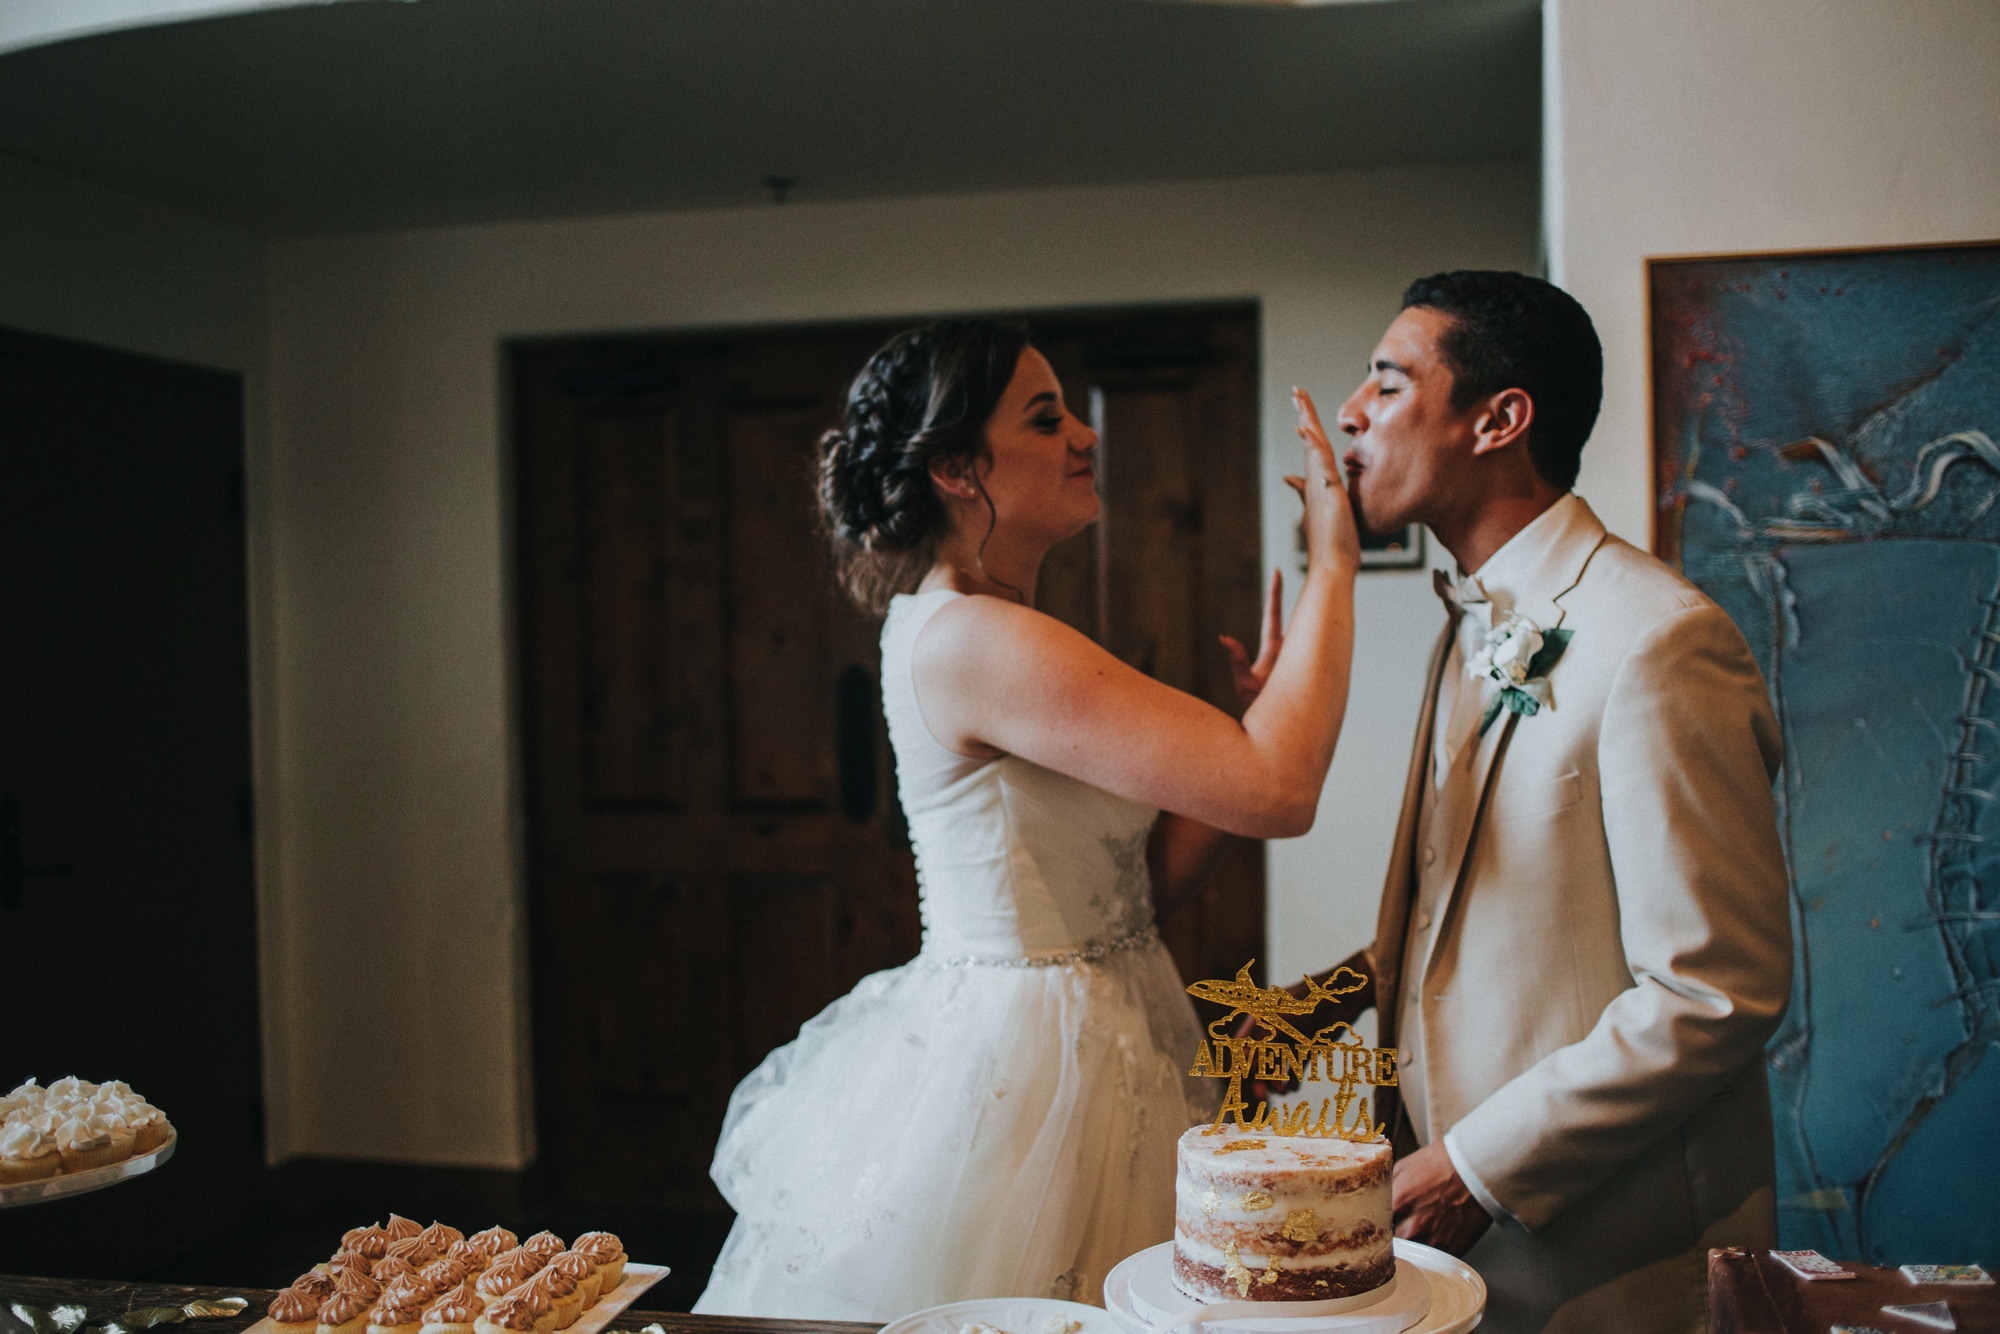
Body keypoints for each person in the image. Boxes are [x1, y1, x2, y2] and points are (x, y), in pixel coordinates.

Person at [691, 319, 1362, 1320]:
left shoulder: (999, 627)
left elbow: (1132, 894)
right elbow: (1281, 789)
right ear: (958, 467)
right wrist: (1335, 560)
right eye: (1045, 418)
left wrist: (1233, 752)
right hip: (1029, 1076)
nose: (1085, 435)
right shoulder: (974, 637)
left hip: (1115, 1025)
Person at [1278, 272, 1792, 1333]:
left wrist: (1471, 1165)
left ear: (1498, 418)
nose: (1347, 412)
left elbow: (1711, 990)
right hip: (1465, 1267)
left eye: (1384, 381)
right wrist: (1305, 1012)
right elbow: (1452, 918)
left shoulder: (1655, 639)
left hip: (1610, 1259)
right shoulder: (1464, 624)